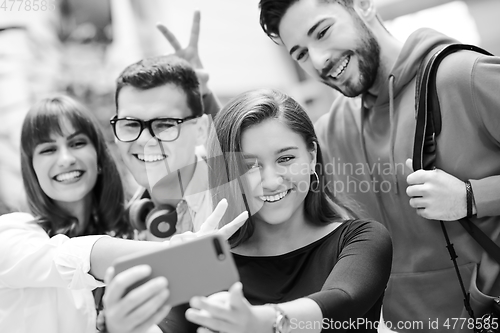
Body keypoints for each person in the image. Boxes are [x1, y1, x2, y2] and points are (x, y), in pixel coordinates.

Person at [258, 0, 500, 331]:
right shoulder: (335, 129)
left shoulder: (463, 75)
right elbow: (264, 169)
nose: (318, 60)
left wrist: (472, 196)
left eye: (323, 31)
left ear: (363, 5)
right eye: (300, 53)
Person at [0, 95, 246, 333]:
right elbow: (75, 256)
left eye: (77, 143)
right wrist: (180, 251)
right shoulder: (12, 233)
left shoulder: (131, 237)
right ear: (31, 168)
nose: (65, 159)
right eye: (48, 150)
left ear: (98, 156)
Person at [157, 89, 392, 333]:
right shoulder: (206, 263)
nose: (270, 181)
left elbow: (342, 300)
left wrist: (259, 322)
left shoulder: (362, 239)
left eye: (285, 158)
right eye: (249, 165)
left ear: (312, 157)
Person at [113, 53, 218, 241]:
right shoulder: (127, 226)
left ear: (201, 130)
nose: (145, 140)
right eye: (130, 124)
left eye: (164, 124)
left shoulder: (240, 203)